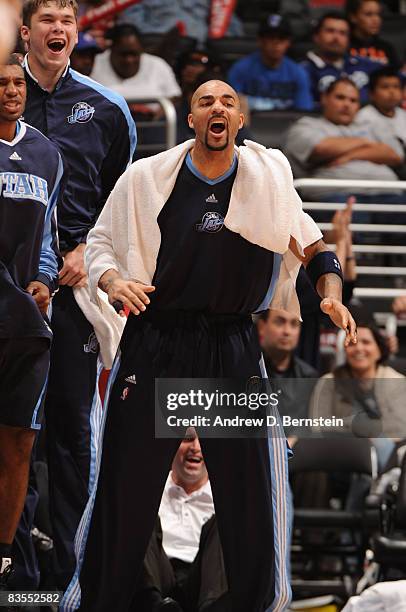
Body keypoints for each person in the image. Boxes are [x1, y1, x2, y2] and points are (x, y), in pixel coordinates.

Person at [61, 78, 356, 612]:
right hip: (158, 337)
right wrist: (111, 282)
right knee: (123, 495)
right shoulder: (148, 177)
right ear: (192, 119)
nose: (217, 109)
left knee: (249, 497)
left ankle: (258, 605)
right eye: (205, 102)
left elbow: (317, 250)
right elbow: (100, 244)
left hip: (231, 342)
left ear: (240, 121)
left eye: (227, 102)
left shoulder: (267, 180)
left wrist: (331, 297)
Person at [20, 0, 136, 591]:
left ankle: (67, 581)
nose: (59, 30)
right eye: (48, 20)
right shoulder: (4, 92)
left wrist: (85, 251)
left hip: (74, 292)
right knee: (13, 434)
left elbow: (124, 203)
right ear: (27, 31)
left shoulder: (108, 109)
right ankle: (15, 574)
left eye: (67, 21)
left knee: (70, 433)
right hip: (10, 293)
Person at [0, 54, 64, 590]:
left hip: (22, 321)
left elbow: (48, 237)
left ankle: (5, 559)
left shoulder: (45, 152)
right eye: (1, 83)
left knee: (20, 440)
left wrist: (44, 278)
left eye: (18, 82)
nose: (11, 90)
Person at [134, 429, 226, 611]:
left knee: (224, 521)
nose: (196, 448)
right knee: (139, 510)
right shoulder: (153, 486)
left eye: (203, 441)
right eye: (187, 439)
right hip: (159, 575)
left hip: (202, 580)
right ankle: (153, 604)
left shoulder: (223, 494)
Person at [310, 316, 405, 470]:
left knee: (379, 442)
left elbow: (399, 429)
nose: (359, 348)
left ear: (380, 350)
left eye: (366, 342)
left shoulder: (396, 381)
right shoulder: (328, 382)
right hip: (341, 451)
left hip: (388, 452)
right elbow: (318, 426)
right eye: (352, 343)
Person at [285, 77, 403, 202]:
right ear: (325, 98)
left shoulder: (371, 125)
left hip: (388, 192)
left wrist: (350, 155)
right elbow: (321, 148)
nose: (347, 104)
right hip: (336, 195)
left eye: (353, 100)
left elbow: (395, 155)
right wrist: (366, 143)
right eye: (340, 98)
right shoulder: (306, 125)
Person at [228, 14, 314, 111]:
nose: (276, 43)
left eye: (281, 38)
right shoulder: (241, 69)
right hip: (251, 124)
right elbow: (230, 108)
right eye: (270, 37)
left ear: (288, 42)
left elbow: (303, 112)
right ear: (260, 40)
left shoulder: (298, 73)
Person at [257, 308, 318, 440]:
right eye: (279, 322)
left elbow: (313, 425)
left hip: (299, 453)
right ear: (262, 326)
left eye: (294, 324)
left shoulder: (309, 376)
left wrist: (296, 440)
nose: (287, 331)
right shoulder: (246, 370)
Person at [302, 12, 379, 105]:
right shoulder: (304, 71)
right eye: (330, 31)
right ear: (316, 36)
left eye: (342, 33)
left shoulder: (365, 64)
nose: (336, 38)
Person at [90, 24, 181, 103]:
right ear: (111, 49)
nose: (129, 60)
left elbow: (175, 98)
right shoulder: (93, 63)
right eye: (123, 54)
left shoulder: (158, 65)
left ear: (141, 50)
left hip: (152, 122)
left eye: (134, 54)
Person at [117, 0, 243, 45]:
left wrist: (216, 40)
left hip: (200, 51)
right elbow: (128, 24)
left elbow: (232, 27)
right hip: (155, 50)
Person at [356, 66, 406, 165]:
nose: (392, 92)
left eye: (396, 87)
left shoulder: (403, 115)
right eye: (385, 87)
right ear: (371, 94)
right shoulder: (363, 117)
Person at [347, 0, 399, 66]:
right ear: (353, 17)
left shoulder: (387, 48)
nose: (376, 19)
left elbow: (396, 74)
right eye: (369, 14)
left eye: (378, 14)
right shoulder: (344, 46)